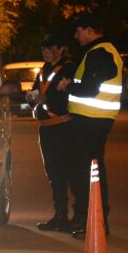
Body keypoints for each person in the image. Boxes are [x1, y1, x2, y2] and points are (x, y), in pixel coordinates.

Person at [56, 11, 124, 237]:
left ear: (88, 30)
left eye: (78, 31)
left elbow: (89, 89)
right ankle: (94, 221)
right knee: (90, 170)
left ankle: (95, 222)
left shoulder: (100, 53)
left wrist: (67, 86)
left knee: (89, 172)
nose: (76, 36)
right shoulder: (103, 52)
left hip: (91, 121)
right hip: (94, 120)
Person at [30, 32, 77, 232]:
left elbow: (68, 96)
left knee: (69, 172)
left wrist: (46, 100)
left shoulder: (69, 68)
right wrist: (31, 97)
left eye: (50, 49)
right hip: (46, 128)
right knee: (53, 173)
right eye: (43, 49)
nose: (46, 52)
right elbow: (37, 91)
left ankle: (78, 216)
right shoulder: (43, 70)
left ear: (60, 49)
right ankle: (60, 215)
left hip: (63, 127)